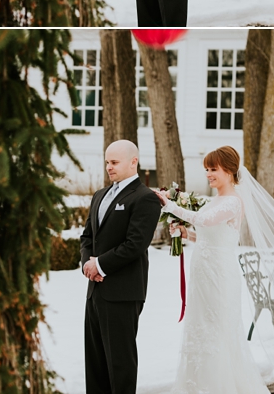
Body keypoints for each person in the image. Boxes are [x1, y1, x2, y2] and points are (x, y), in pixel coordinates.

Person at [153, 147, 270, 394]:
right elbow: (209, 235)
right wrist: (187, 234)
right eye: (206, 169)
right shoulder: (214, 200)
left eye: (213, 169)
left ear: (229, 170)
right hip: (202, 272)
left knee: (216, 330)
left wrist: (170, 205)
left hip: (219, 275)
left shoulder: (234, 202)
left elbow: (205, 221)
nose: (208, 174)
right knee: (200, 326)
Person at [80, 141, 162, 394]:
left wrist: (100, 265)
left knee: (120, 364)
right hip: (95, 291)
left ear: (133, 161)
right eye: (107, 162)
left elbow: (135, 244)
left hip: (123, 293)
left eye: (114, 162)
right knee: (95, 364)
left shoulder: (145, 198)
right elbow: (87, 237)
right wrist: (87, 265)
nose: (109, 167)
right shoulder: (100, 195)